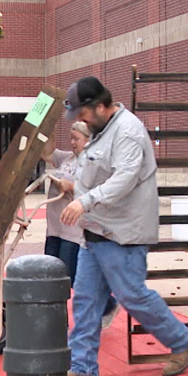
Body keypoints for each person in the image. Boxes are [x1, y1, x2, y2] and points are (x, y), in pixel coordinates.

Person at [59, 76, 188, 376]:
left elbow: (124, 178)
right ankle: (83, 366)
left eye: (83, 114)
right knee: (85, 300)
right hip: (96, 232)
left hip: (123, 234)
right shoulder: (101, 130)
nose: (81, 122)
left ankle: (183, 341)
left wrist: (85, 201)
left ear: (100, 106)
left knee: (131, 295)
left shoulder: (128, 131)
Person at [42, 120, 119, 329]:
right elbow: (46, 152)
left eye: (76, 138)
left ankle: (107, 304)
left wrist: (70, 186)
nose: (72, 142)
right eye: (71, 138)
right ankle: (58, 321)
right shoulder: (64, 158)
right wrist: (48, 128)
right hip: (55, 228)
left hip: (73, 231)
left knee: (71, 278)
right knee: (51, 274)